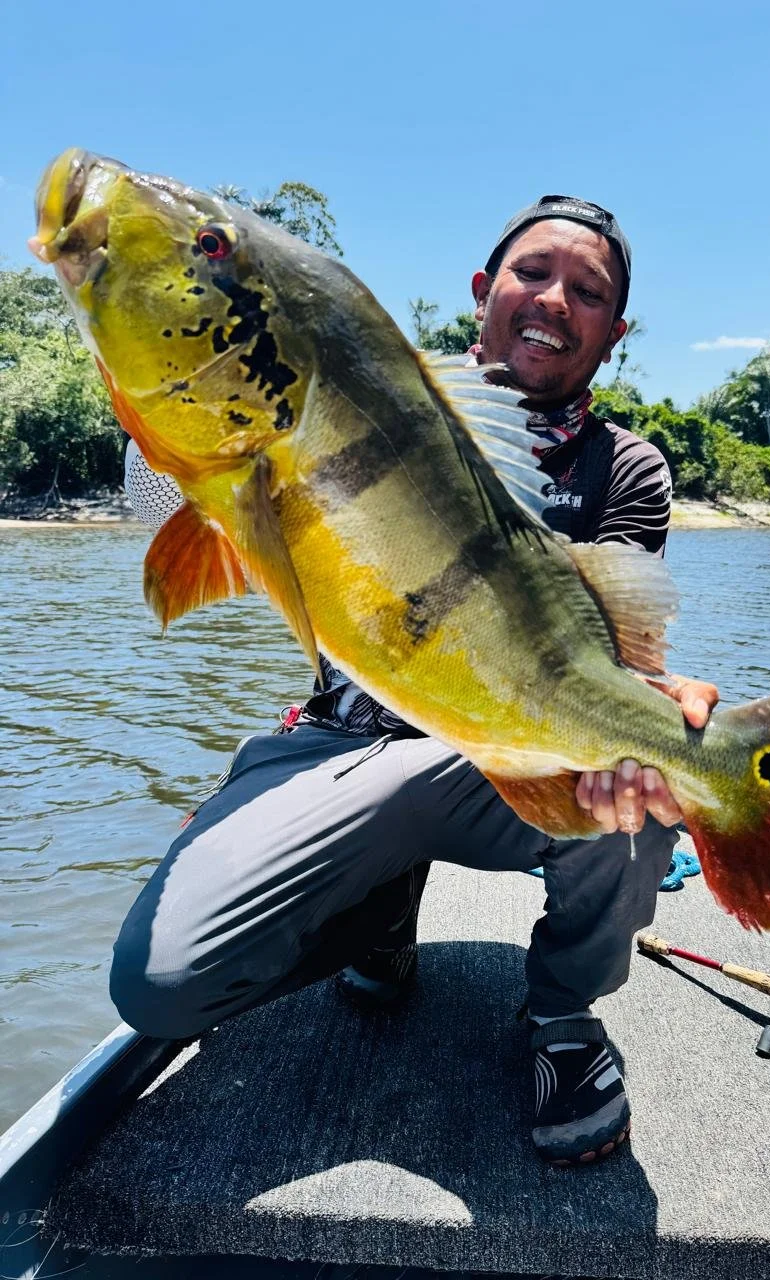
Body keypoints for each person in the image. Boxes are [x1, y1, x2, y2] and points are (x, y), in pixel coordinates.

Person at [111, 195, 718, 1167]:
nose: (555, 299)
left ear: (616, 329)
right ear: (484, 291)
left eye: (589, 290)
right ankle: (375, 923)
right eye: (532, 272)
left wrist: (652, 704)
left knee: (649, 771)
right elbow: (169, 507)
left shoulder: (627, 469)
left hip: (505, 754)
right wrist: (154, 413)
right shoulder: (364, 394)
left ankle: (562, 1014)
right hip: (346, 739)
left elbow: (607, 644)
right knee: (160, 983)